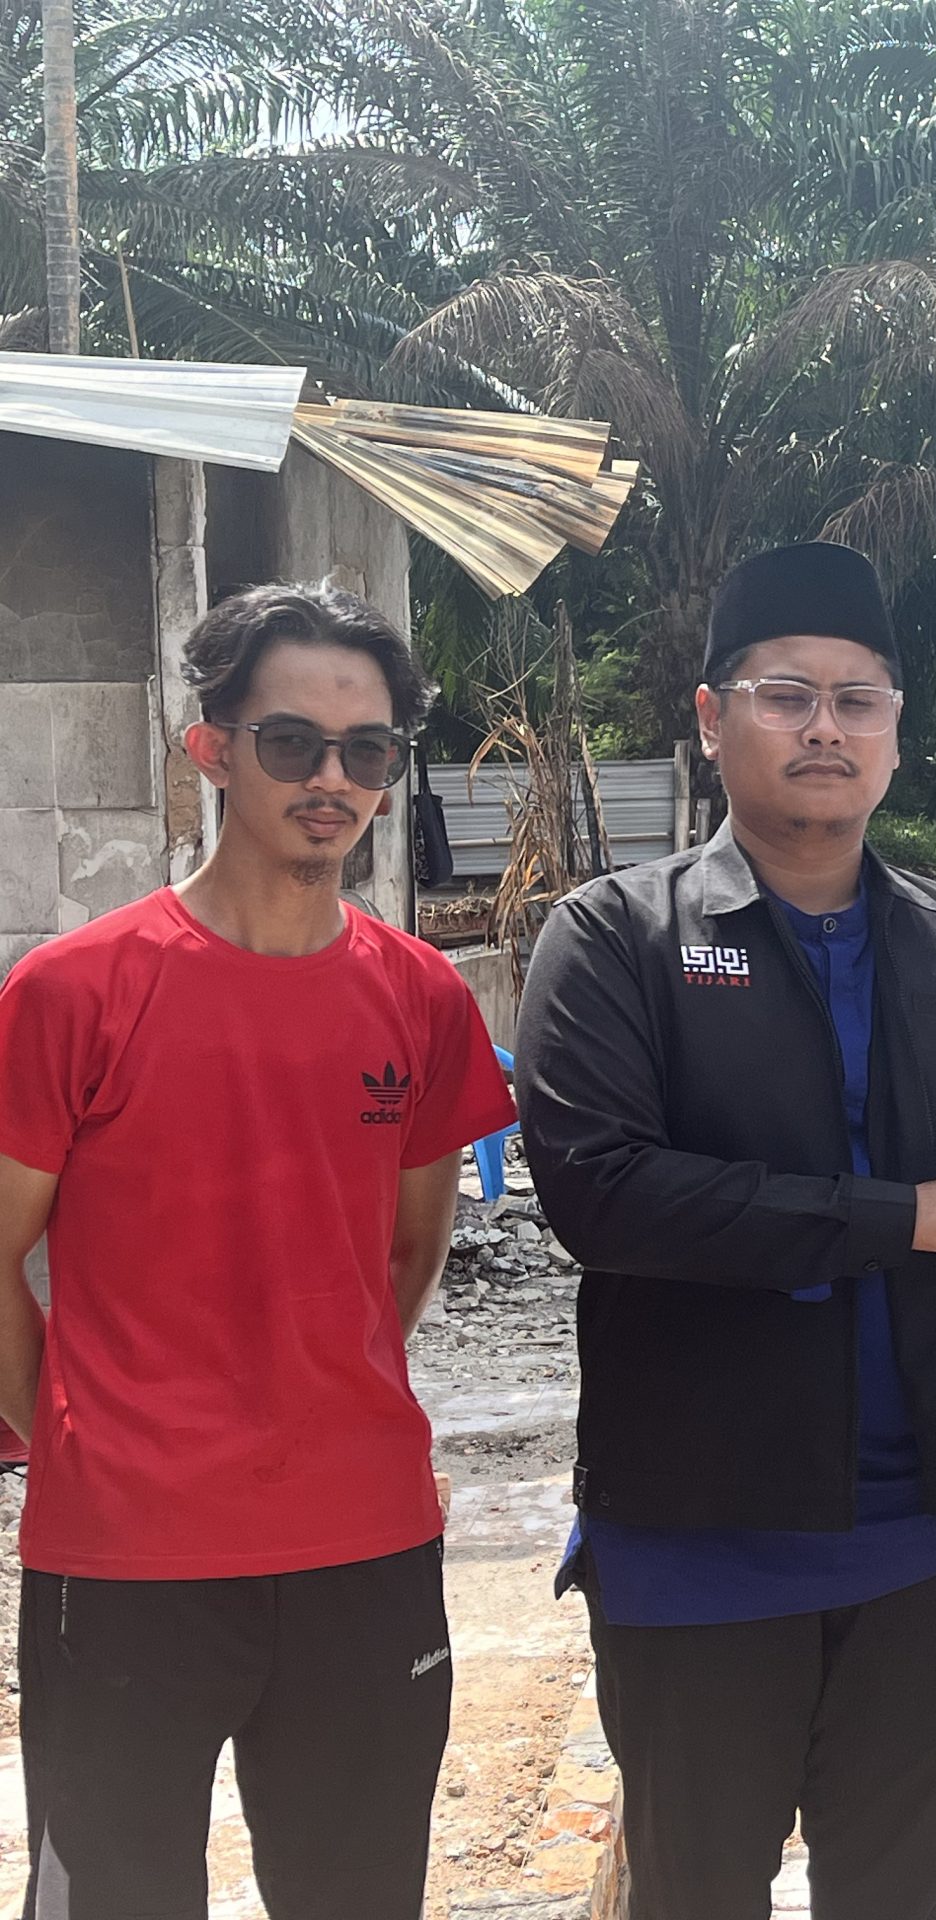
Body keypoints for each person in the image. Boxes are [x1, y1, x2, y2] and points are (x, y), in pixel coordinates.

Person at [514, 542, 936, 1919]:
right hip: (700, 1547)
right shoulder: (617, 940)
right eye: (786, 695)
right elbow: (603, 1195)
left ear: (895, 730)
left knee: (895, 1895)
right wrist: (906, 1218)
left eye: (858, 699)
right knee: (697, 1894)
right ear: (713, 721)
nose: (824, 727)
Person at [0, 585, 515, 1917]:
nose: (331, 779)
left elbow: (409, 1254)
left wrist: (321, 1390)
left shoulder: (422, 998)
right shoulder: (75, 993)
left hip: (364, 1549)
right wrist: (67, 1429)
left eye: (367, 750)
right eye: (292, 743)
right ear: (212, 749)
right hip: (127, 1564)